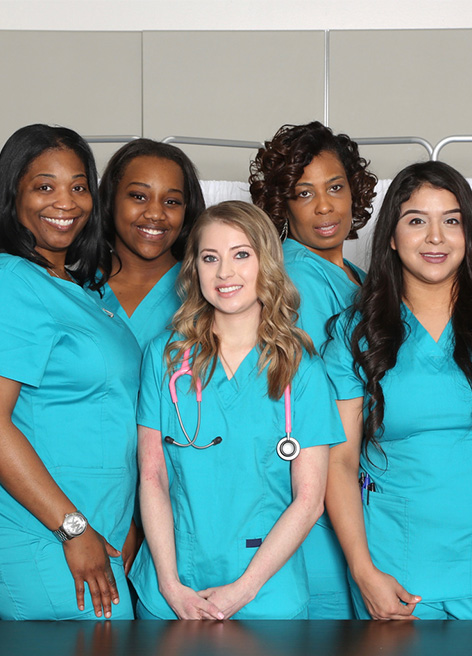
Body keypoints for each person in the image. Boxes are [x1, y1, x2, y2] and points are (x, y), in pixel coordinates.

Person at [323, 160, 472, 621]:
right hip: (392, 565)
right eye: (416, 220)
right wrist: (363, 571)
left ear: (469, 234)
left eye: (451, 221)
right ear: (392, 238)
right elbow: (338, 461)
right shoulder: (355, 334)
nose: (435, 237)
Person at [0, 124, 141, 620]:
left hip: (88, 523)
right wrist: (72, 529)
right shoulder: (7, 279)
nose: (66, 201)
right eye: (44, 186)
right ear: (12, 194)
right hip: (33, 526)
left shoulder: (82, 289)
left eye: (79, 186)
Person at [130, 201, 344, 620]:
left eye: (241, 255)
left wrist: (243, 591)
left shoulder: (301, 369)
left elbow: (309, 500)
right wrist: (171, 586)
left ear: (267, 262)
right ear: (194, 270)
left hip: (267, 593)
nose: (224, 273)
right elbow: (152, 476)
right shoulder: (165, 358)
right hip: (174, 588)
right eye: (210, 258)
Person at [249, 121, 377, 619]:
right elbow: (309, 403)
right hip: (320, 487)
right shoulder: (297, 277)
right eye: (304, 194)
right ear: (283, 205)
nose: (325, 207)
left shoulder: (358, 278)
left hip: (352, 481)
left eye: (336, 187)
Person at [99, 139, 206, 349]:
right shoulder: (76, 289)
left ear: (187, 209)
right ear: (111, 199)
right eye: (139, 196)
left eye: (171, 202)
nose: (156, 214)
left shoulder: (206, 290)